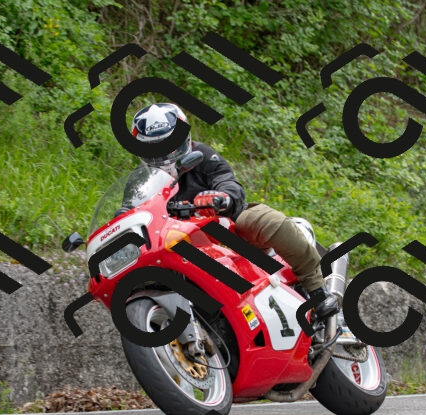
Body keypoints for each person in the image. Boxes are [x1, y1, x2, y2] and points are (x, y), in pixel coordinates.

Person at [129, 102, 340, 320]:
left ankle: (318, 291)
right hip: (178, 242)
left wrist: (222, 198)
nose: (164, 151)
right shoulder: (141, 182)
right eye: (155, 146)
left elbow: (227, 181)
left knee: (266, 221)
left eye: (169, 142)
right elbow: (129, 212)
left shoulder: (202, 156)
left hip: (225, 228)